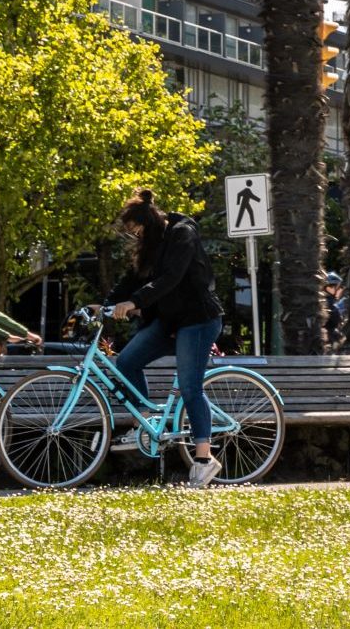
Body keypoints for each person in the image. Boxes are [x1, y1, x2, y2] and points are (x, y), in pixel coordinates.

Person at [106, 190, 225, 488]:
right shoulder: (152, 244)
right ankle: (145, 424)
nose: (136, 237)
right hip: (169, 320)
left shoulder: (182, 234)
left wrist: (135, 303)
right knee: (127, 361)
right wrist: (106, 303)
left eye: (138, 231)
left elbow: (170, 278)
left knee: (190, 388)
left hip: (198, 320)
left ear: (151, 221)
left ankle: (203, 459)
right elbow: (133, 279)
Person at [324, 272, 345, 350]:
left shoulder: (322, 303)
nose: (341, 290)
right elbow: (336, 319)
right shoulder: (330, 305)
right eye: (339, 287)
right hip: (330, 343)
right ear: (329, 288)